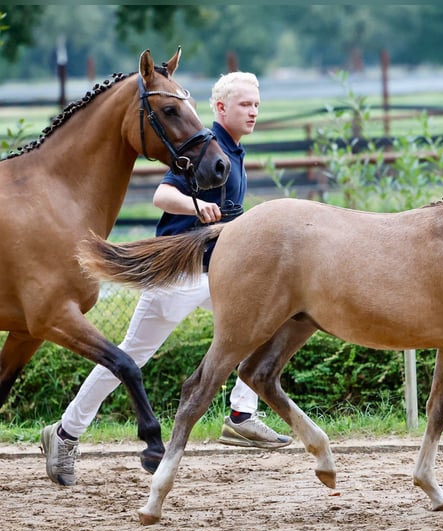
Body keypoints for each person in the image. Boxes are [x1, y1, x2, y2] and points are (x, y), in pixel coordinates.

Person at [41, 71, 291, 487]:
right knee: (132, 354)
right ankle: (65, 433)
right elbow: (162, 195)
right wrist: (195, 207)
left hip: (218, 273)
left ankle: (242, 415)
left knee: (272, 320)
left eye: (257, 105)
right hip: (178, 273)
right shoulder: (201, 146)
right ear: (221, 108)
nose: (254, 112)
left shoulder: (233, 152)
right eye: (246, 104)